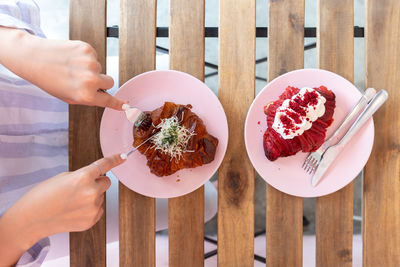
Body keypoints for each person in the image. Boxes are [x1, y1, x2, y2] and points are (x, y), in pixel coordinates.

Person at [0, 1, 217, 266]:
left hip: (41, 81)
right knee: (204, 202)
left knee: (189, 81)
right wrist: (19, 228)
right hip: (41, 208)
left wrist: (14, 43)